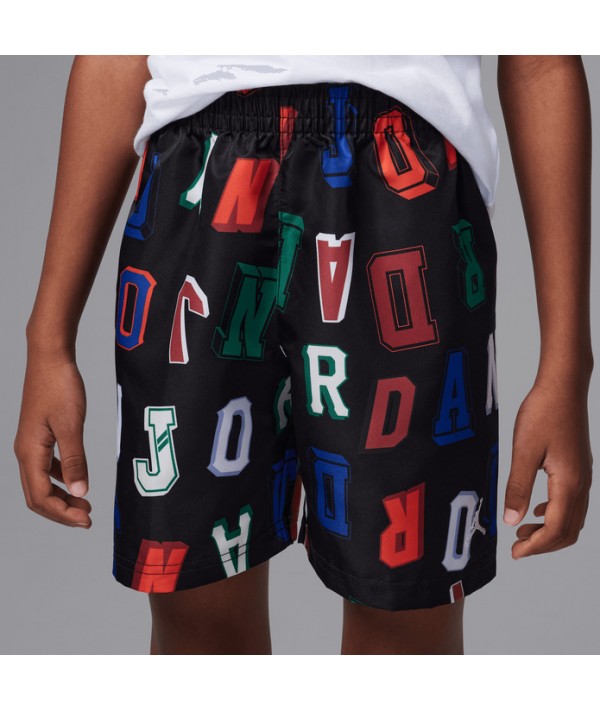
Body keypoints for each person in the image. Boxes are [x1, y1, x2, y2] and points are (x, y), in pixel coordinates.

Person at [13, 55, 593, 655]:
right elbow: (113, 51)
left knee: (404, 620)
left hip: (401, 185)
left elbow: (540, 62)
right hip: (197, 176)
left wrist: (567, 367)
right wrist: (48, 340)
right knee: (195, 615)